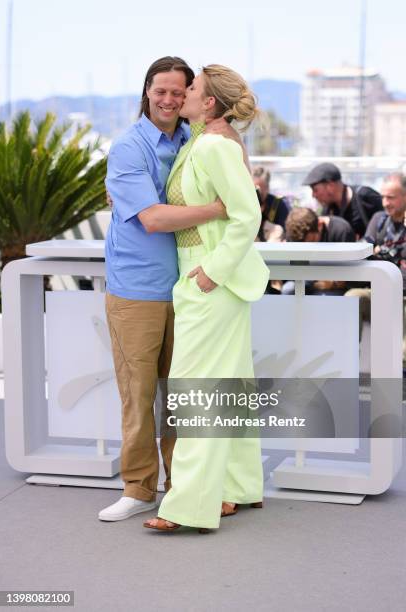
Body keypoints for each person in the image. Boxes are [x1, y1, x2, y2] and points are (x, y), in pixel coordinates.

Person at [99, 57, 231, 522]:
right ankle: (138, 488)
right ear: (147, 91)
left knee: (182, 395)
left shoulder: (197, 139)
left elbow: (231, 161)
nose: (171, 100)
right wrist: (219, 209)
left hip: (188, 287)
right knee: (138, 395)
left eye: (180, 91)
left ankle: (183, 488)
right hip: (136, 289)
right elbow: (153, 219)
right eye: (162, 91)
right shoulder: (128, 148)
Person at [143, 65, 269, 533]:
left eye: (192, 88)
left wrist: (210, 275)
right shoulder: (206, 141)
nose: (185, 94)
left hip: (209, 281)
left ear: (209, 102)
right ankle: (235, 489)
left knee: (195, 390)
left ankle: (187, 506)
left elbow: (246, 216)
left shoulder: (214, 145)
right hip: (210, 281)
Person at [345, 173, 406, 363]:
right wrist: (375, 249)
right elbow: (365, 248)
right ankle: (348, 362)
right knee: (353, 298)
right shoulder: (379, 219)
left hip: (403, 295)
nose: (386, 203)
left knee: (401, 352)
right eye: (383, 197)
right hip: (381, 291)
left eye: (391, 198)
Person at [282, 207, 355, 296]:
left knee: (323, 296)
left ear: (320, 224)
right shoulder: (294, 235)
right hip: (304, 279)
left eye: (312, 241)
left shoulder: (342, 230)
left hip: (334, 284)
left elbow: (352, 275)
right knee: (287, 290)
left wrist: (333, 284)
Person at [302, 162, 382, 239]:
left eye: (315, 190)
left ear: (330, 186)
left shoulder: (365, 196)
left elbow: (387, 222)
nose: (313, 195)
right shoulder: (328, 210)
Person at [253, 166, 290, 241]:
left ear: (268, 187)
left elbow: (286, 232)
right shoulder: (245, 204)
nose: (257, 192)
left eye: (260, 187)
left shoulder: (278, 204)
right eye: (254, 188)